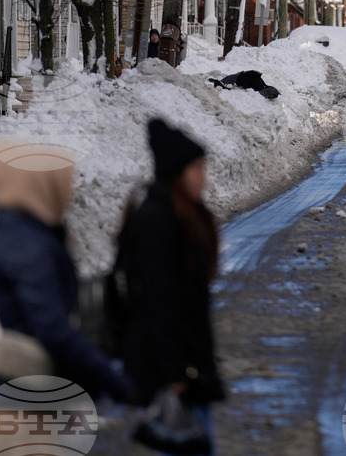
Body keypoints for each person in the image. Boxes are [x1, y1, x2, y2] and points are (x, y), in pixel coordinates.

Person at [0, 145, 134, 454]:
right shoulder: (28, 246)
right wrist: (118, 383)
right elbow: (53, 331)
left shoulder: (1, 237)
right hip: (18, 409)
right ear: (40, 185)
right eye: (62, 179)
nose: (69, 188)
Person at [118, 119, 224, 452]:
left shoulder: (180, 214)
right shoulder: (157, 221)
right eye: (198, 170)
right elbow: (157, 302)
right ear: (177, 173)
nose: (204, 180)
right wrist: (173, 374)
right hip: (172, 372)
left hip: (187, 366)